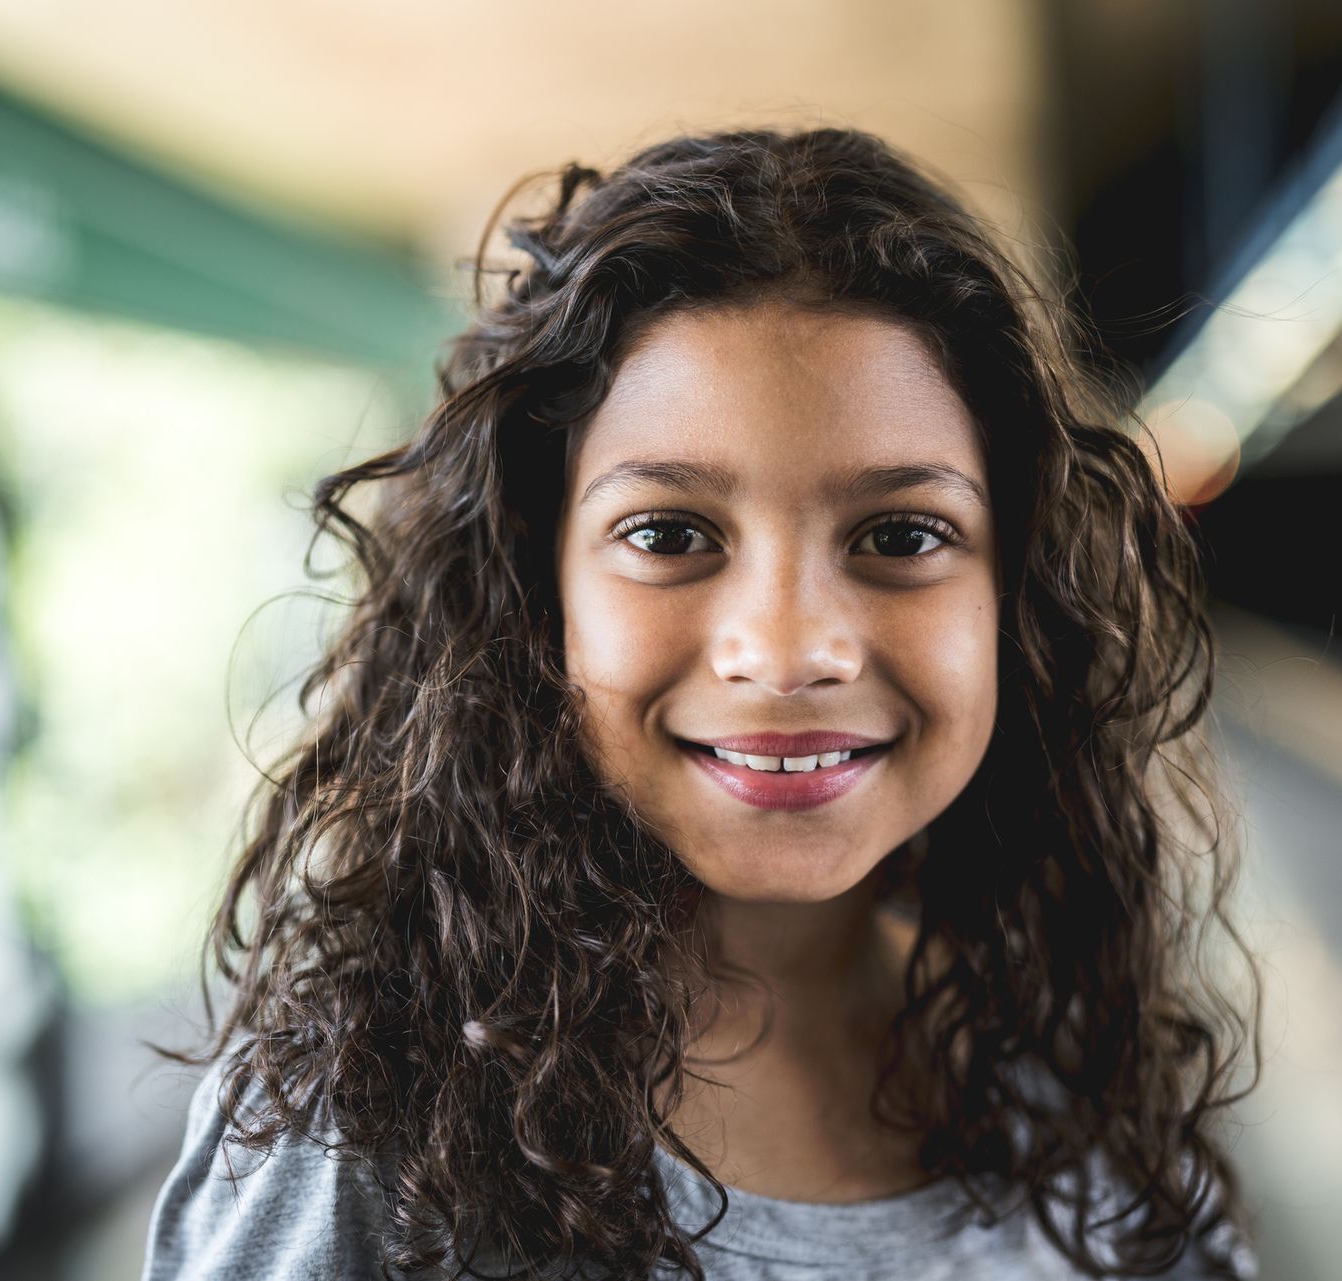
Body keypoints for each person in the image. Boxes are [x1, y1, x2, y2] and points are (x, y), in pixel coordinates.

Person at [138, 126, 1263, 1281]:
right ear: (539, 590)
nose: (785, 654)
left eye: (902, 536)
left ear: (1016, 593)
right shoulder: (375, 1122)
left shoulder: (1073, 1074)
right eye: (669, 535)